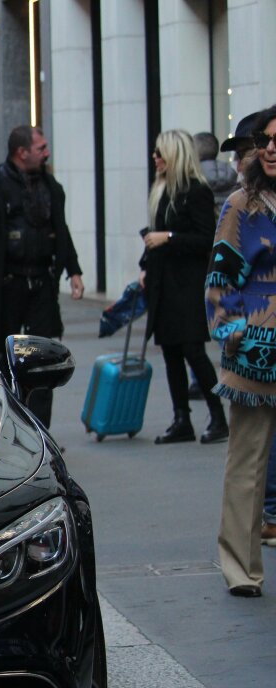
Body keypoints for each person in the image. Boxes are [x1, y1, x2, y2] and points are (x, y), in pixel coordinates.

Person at [0, 125, 85, 429]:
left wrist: (74, 270)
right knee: (2, 361)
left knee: (43, 361)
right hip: (5, 287)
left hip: (41, 285)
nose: (47, 152)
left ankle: (40, 431)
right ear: (22, 152)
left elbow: (62, 230)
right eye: (41, 148)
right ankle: (7, 429)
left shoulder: (51, 186)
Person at [208, 105, 276, 597]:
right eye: (266, 139)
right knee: (248, 464)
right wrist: (232, 328)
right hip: (256, 346)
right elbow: (220, 275)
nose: (271, 147)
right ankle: (240, 568)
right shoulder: (240, 204)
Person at [139, 129, 228, 445]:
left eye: (160, 153)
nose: (155, 158)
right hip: (163, 282)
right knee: (171, 352)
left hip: (187, 284)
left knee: (193, 349)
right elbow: (153, 232)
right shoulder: (161, 190)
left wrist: (169, 238)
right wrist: (144, 267)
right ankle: (181, 418)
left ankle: (217, 415)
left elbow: (207, 239)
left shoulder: (196, 191)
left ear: (174, 156)